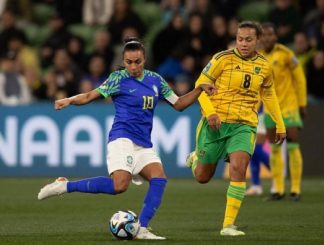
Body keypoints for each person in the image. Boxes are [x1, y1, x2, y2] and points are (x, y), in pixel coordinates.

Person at [37, 37, 215, 240]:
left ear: (144, 59)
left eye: (137, 61)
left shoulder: (155, 79)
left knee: (159, 178)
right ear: (123, 61)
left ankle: (142, 229)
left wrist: (199, 89)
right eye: (129, 62)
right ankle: (64, 186)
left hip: (143, 143)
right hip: (122, 138)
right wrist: (69, 100)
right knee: (119, 186)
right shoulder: (118, 78)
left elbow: (179, 104)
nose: (133, 66)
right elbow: (89, 96)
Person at [185, 21, 286, 236]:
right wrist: (210, 112)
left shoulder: (265, 66)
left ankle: (228, 225)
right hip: (216, 122)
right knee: (202, 177)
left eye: (248, 40)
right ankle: (195, 159)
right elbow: (200, 86)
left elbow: (269, 95)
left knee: (239, 168)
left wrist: (279, 123)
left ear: (257, 40)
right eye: (240, 39)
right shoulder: (222, 59)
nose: (243, 43)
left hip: (244, 124)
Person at [259, 23, 307, 201]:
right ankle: (277, 189)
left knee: (293, 146)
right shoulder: (258, 58)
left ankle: (295, 189)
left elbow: (300, 79)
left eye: (270, 35)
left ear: (275, 36)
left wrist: (302, 104)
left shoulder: (287, 54)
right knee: (275, 148)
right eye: (264, 35)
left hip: (289, 107)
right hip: (270, 109)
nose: (267, 38)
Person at [245, 103, 271, 196]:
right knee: (252, 150)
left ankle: (276, 171)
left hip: (262, 113)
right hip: (250, 114)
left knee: (256, 149)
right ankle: (256, 185)